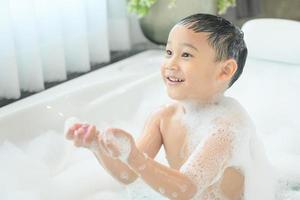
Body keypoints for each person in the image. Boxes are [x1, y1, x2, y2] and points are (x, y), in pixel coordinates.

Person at [65, 14, 274, 200]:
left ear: (224, 71)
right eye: (168, 52)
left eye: (186, 55)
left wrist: (134, 156)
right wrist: (96, 146)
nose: (171, 64)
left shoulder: (226, 128)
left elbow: (186, 189)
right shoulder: (163, 117)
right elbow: (128, 175)